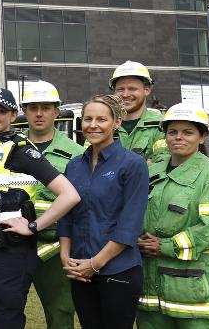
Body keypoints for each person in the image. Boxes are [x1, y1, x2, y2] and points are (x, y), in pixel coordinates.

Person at [0, 88, 80, 329]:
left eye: (0, 111)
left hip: (8, 248)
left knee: (7, 318)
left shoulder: (21, 150)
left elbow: (70, 195)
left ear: (13, 115)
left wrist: (34, 226)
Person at [136, 103, 209, 329]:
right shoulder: (151, 171)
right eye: (173, 132)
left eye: (187, 132)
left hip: (195, 295)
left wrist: (166, 246)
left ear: (202, 137)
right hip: (151, 295)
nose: (178, 137)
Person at [57, 95, 148, 328]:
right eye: (88, 119)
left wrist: (95, 263)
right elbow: (67, 214)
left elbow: (129, 224)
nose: (93, 125)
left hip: (118, 269)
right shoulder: (74, 165)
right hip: (80, 269)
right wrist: (65, 255)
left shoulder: (132, 164)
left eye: (101, 119)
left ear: (116, 122)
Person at [19, 81, 84, 329]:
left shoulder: (76, 153)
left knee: (60, 313)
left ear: (57, 111)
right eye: (32, 107)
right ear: (25, 110)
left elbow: (78, 203)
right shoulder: (10, 147)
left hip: (55, 249)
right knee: (5, 310)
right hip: (14, 244)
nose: (38, 113)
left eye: (45, 107)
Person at [110, 60, 166, 161]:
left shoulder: (162, 126)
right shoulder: (104, 124)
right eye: (120, 89)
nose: (125, 94)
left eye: (132, 89)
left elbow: (162, 164)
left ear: (147, 90)